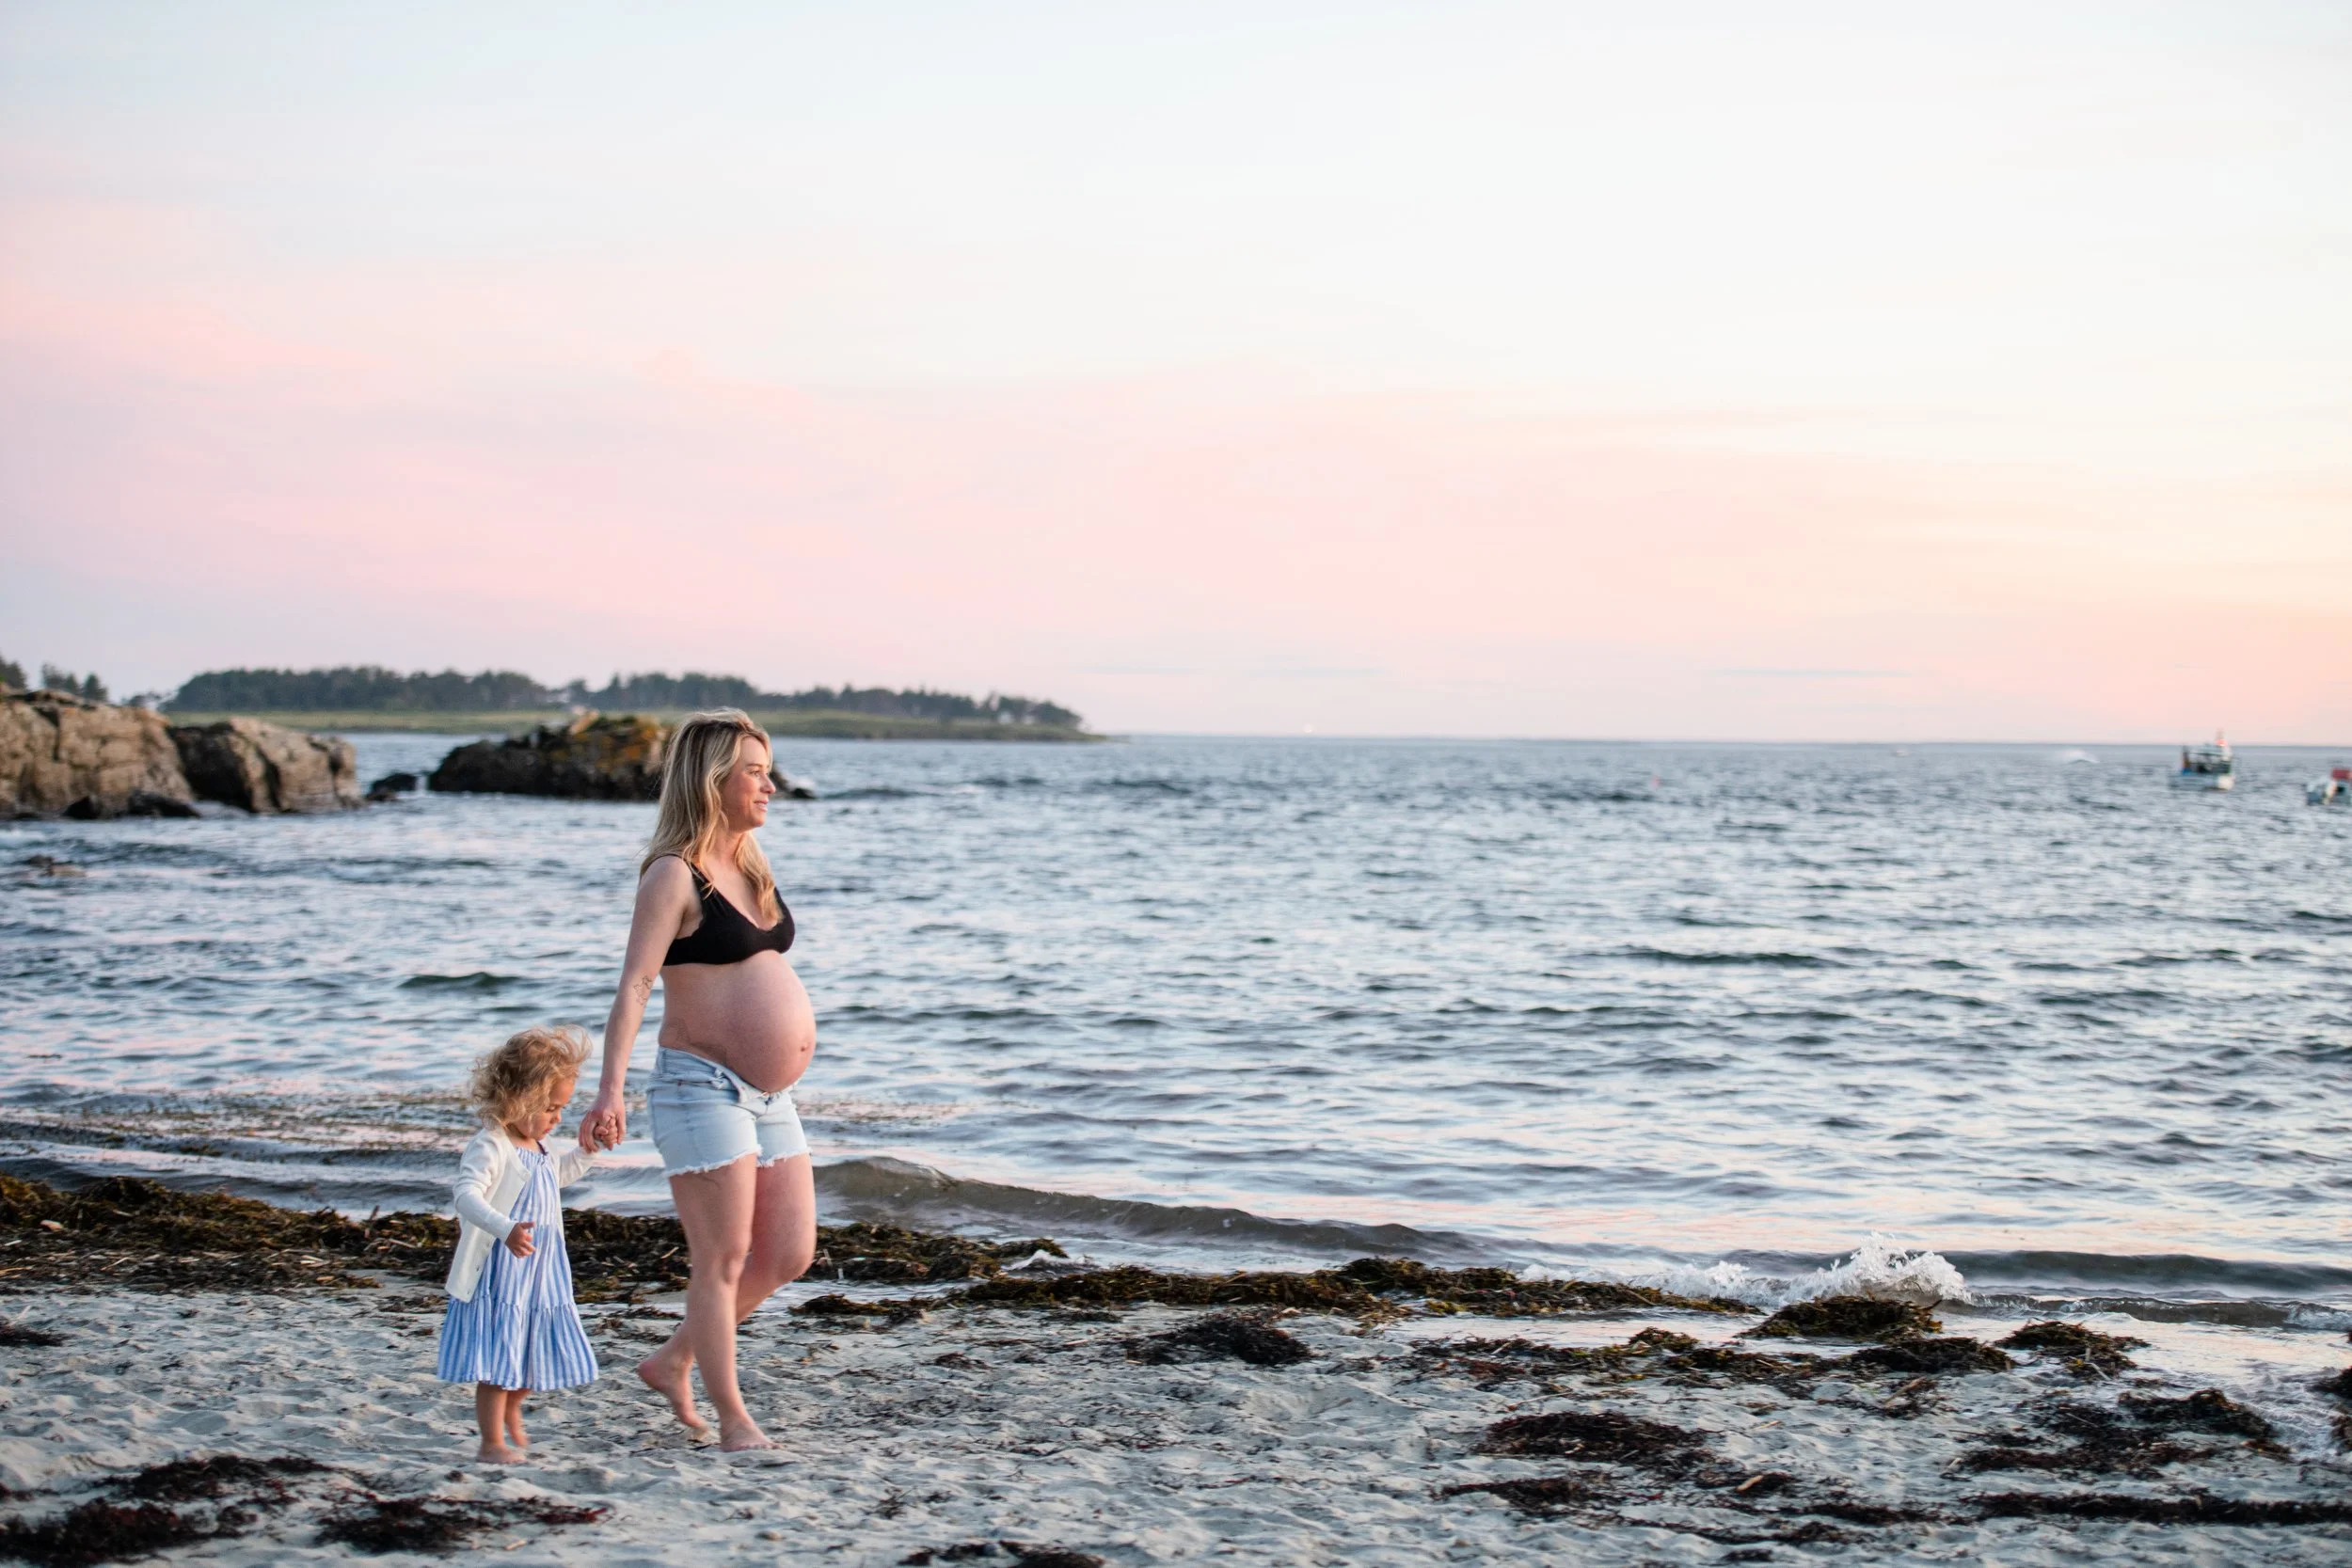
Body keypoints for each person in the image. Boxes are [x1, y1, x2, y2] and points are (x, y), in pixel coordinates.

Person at [579, 709, 817, 1452]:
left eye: (768, 768)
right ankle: (732, 1418)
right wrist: (609, 1091)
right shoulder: (672, 872)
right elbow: (635, 985)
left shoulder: (750, 864)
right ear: (713, 779)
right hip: (699, 1086)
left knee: (789, 1252)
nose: (770, 784)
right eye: (754, 769)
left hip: (771, 1097)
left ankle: (673, 1358)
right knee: (722, 1259)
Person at [437, 1024, 599, 1464]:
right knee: (498, 1362)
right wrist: (504, 1228)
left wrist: (588, 1151)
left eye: (562, 1108)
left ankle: (512, 1413)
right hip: (502, 1273)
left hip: (541, 1271)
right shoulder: (492, 1145)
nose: (557, 1118)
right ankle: (491, 1442)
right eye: (550, 1107)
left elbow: (554, 1179)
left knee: (531, 1353)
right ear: (518, 1098)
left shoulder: (538, 1145)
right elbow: (466, 1196)